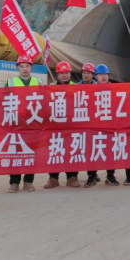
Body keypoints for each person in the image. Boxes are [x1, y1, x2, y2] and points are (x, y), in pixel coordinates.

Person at [6, 55, 41, 193]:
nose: (25, 69)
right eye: (22, 66)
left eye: (27, 66)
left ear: (31, 67)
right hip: (16, 123)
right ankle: (14, 182)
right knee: (15, 153)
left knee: (30, 153)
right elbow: (2, 100)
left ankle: (28, 182)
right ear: (17, 68)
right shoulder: (11, 83)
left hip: (33, 123)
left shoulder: (38, 82)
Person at [45, 61, 80, 189]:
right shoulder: (51, 87)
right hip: (56, 125)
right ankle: (53, 178)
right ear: (57, 74)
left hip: (72, 125)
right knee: (55, 150)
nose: (64, 75)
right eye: (61, 73)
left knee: (72, 151)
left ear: (70, 73)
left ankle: (72, 177)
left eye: (66, 72)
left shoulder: (77, 87)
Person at [94, 64, 120, 186]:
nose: (103, 76)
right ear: (96, 76)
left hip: (110, 125)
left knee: (110, 150)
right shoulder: (90, 89)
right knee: (93, 150)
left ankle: (110, 175)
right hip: (95, 125)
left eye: (105, 74)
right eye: (100, 74)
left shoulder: (115, 88)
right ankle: (92, 175)